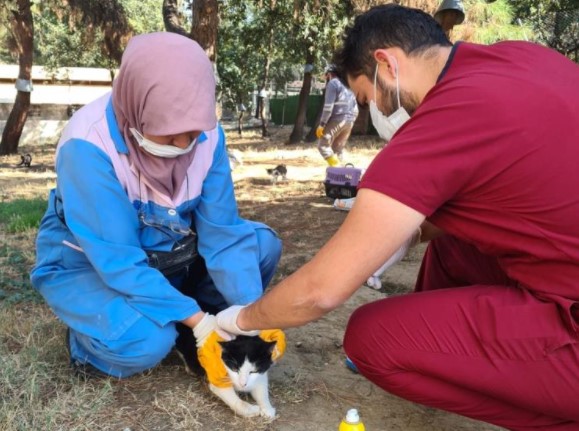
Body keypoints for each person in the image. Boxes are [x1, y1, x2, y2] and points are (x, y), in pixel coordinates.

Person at [216, 4, 579, 430]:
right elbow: (511, 195)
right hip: (561, 265)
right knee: (452, 247)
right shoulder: (520, 59)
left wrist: (240, 318)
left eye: (367, 99)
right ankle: (451, 359)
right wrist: (408, 235)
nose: (374, 111)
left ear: (386, 64)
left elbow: (320, 293)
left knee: (371, 339)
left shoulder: (441, 121)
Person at [30, 32, 282, 379]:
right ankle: (88, 343)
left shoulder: (208, 136)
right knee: (146, 342)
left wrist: (253, 316)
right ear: (138, 111)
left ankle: (187, 320)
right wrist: (197, 321)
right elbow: (119, 261)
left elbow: (223, 236)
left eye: (191, 134)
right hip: (93, 263)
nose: (182, 146)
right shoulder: (87, 146)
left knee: (261, 245)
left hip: (166, 257)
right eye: (169, 135)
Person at [315, 64, 359, 166]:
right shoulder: (348, 85)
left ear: (329, 74)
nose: (326, 79)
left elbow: (328, 108)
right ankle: (339, 177)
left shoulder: (333, 84)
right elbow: (355, 108)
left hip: (337, 118)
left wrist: (322, 124)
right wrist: (350, 121)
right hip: (350, 120)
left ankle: (336, 169)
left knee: (323, 145)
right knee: (337, 148)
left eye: (326, 76)